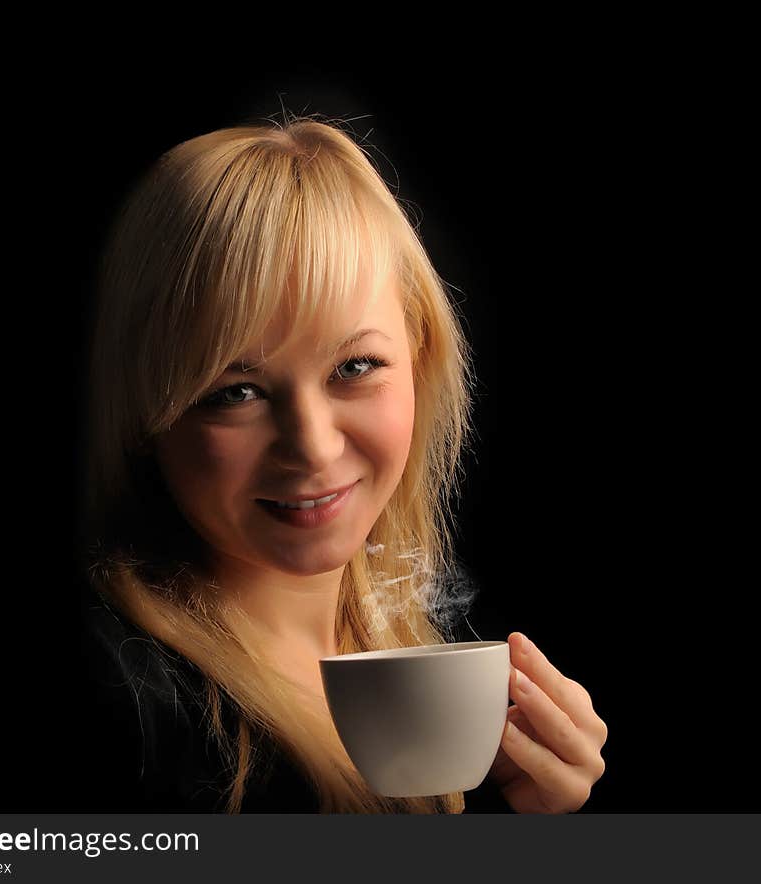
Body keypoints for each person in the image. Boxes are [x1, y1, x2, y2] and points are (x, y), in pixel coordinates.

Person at [76, 113, 608, 814]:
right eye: (235, 392)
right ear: (147, 413)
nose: (315, 446)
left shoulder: (429, 647)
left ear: (420, 358)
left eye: (354, 367)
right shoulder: (123, 700)